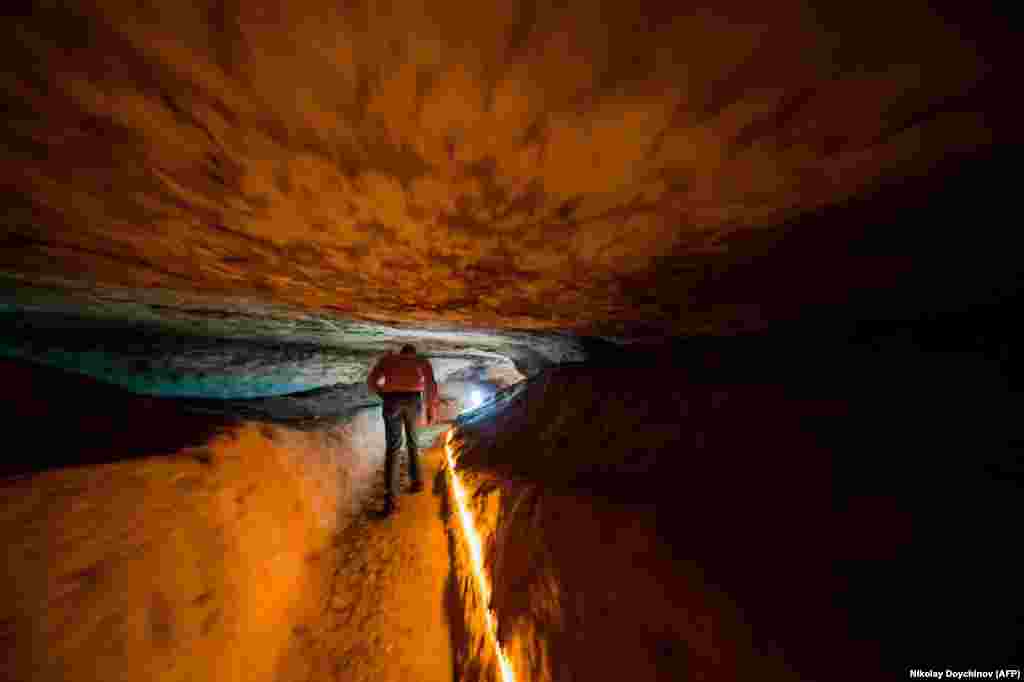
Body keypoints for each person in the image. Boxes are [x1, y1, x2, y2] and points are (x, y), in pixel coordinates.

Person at [366, 344, 439, 515]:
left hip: (391, 400)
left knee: (393, 448)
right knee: (413, 442)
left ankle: (391, 501)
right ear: (413, 353)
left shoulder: (388, 359)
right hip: (413, 400)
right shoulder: (420, 361)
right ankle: (417, 482)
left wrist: (383, 394)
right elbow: (430, 386)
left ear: (401, 353)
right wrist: (430, 409)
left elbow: (371, 382)